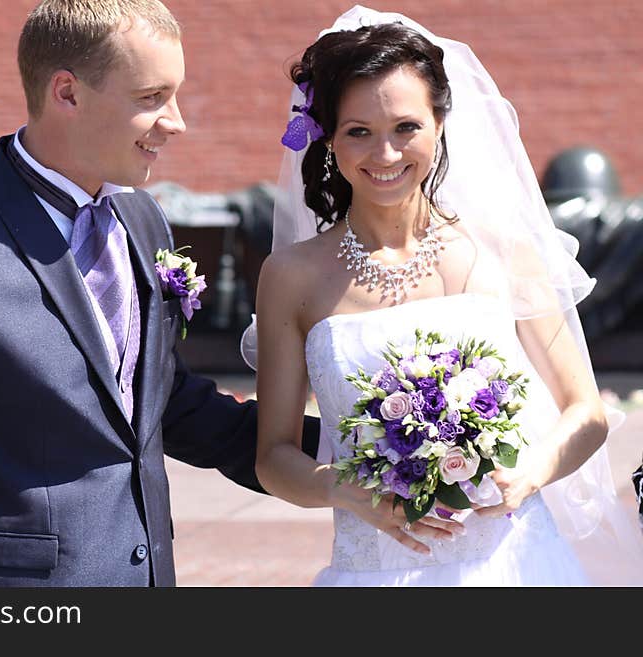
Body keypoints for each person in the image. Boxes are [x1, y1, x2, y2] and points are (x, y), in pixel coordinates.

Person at [0, 0, 319, 587]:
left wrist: (361, 452)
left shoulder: (142, 220)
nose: (177, 121)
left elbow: (163, 403)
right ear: (67, 93)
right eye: (151, 98)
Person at [246, 5, 643, 585]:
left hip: (518, 566)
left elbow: (585, 413)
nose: (385, 155)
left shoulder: (505, 249)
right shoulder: (290, 276)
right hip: (374, 573)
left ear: (439, 124)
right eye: (360, 132)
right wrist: (349, 492)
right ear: (329, 138)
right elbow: (274, 457)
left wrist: (530, 473)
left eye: (406, 128)